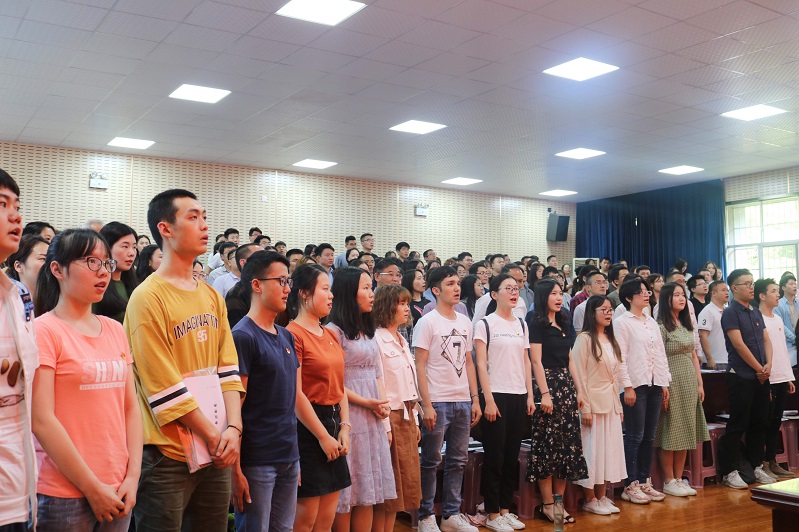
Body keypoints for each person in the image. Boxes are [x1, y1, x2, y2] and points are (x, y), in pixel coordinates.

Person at [125, 189, 245, 531]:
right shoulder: (147, 297)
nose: (204, 225)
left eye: (204, 217)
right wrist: (214, 435)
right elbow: (161, 385)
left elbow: (228, 370)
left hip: (216, 448)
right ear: (165, 228)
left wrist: (234, 429)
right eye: (193, 217)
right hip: (167, 455)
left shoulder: (211, 295)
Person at [31, 228, 142, 531]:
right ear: (57, 269)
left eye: (106, 262)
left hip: (119, 488)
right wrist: (92, 487)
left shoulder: (114, 329)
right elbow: (41, 419)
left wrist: (133, 477)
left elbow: (131, 408)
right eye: (91, 262)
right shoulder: (44, 330)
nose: (103, 271)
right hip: (63, 493)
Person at [231, 251, 300, 531]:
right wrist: (235, 470)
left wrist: (294, 458)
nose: (287, 289)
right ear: (257, 285)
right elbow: (234, 409)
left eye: (288, 281)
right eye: (280, 281)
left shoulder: (286, 335)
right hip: (257, 460)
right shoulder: (242, 336)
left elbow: (290, 401)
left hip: (288, 455)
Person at [326, 267, 395, 531]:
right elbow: (335, 382)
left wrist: (382, 406)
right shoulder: (333, 331)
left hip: (373, 416)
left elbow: (378, 374)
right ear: (348, 292)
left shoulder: (369, 331)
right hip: (348, 416)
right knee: (348, 491)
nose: (372, 293)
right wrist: (368, 403)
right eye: (365, 288)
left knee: (368, 492)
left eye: (371, 287)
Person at [413, 266, 481, 532]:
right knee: (431, 461)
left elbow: (469, 363)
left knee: (458, 461)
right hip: (437, 401)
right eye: (450, 283)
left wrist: (475, 399)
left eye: (458, 283)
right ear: (435, 290)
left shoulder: (465, 321)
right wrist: (426, 404)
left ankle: (451, 515)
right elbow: (419, 365)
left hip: (463, 400)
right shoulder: (427, 321)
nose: (457, 288)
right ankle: (425, 516)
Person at [286, 264, 352, 532]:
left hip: (334, 422)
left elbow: (341, 385)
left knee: (327, 517)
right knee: (306, 518)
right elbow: (295, 393)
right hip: (308, 427)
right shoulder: (292, 334)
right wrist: (323, 436)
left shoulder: (330, 333)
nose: (331, 295)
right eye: (325, 289)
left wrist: (345, 427)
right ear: (304, 293)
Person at [474, 274, 533, 532]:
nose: (514, 292)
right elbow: (480, 364)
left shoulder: (521, 323)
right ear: (494, 294)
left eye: (516, 288)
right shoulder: (485, 324)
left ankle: (506, 509)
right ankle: (492, 512)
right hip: (495, 395)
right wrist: (488, 399)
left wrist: (530, 395)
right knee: (495, 457)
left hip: (518, 394)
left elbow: (526, 361)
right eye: (508, 288)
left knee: (511, 456)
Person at [527, 279, 587, 524]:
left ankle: (559, 504)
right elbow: (535, 361)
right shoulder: (535, 322)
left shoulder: (563, 320)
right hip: (547, 384)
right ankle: (547, 505)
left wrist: (579, 390)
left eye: (560, 293)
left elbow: (570, 359)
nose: (559, 297)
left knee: (566, 449)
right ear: (543, 296)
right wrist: (544, 393)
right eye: (553, 293)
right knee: (547, 449)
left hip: (566, 387)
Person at [0, 170, 39, 532]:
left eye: (17, 205)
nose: (16, 216)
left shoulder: (15, 295)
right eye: (2, 204)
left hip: (18, 480)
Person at [615, 278, 670, 504]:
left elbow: (660, 353)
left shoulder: (651, 321)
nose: (646, 294)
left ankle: (645, 480)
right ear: (629, 298)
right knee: (634, 436)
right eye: (641, 292)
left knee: (649, 436)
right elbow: (620, 357)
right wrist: (627, 386)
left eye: (647, 291)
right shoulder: (622, 322)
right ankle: (630, 484)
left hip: (654, 383)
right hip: (635, 385)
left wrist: (664, 382)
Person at [719, 269, 774, 489]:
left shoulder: (755, 311)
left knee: (760, 422)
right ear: (734, 288)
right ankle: (729, 471)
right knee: (738, 423)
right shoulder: (730, 313)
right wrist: (760, 368)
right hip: (741, 375)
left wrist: (768, 365)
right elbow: (739, 345)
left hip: (761, 376)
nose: (751, 287)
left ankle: (756, 465)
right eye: (747, 284)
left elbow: (766, 340)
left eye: (752, 283)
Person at [372, 284, 421, 532]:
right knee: (386, 490)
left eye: (407, 303)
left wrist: (416, 419)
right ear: (386, 307)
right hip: (388, 417)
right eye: (400, 303)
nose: (406, 308)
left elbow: (410, 385)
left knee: (400, 492)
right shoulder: (376, 339)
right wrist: (385, 425)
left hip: (406, 416)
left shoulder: (401, 339)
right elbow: (378, 384)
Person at [654, 282, 709, 497]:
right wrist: (663, 386)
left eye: (682, 295)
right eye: (676, 295)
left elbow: (694, 356)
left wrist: (700, 383)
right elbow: (658, 359)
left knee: (686, 429)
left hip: (688, 380)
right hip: (671, 380)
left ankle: (679, 478)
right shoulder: (660, 326)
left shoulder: (686, 324)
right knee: (671, 431)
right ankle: (668, 480)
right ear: (666, 299)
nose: (681, 299)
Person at [573, 295, 626, 516]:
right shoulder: (584, 339)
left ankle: (602, 496)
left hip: (611, 402)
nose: (608, 313)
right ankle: (590, 498)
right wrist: (585, 407)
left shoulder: (611, 338)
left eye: (610, 310)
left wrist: (619, 406)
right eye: (603, 310)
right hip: (592, 403)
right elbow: (579, 375)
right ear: (591, 313)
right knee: (592, 451)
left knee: (607, 451)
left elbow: (617, 376)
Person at [756, 278, 796, 480]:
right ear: (762, 296)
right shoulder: (757, 318)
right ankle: (761, 463)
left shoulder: (778, 319)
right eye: (773, 291)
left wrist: (787, 377)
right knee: (764, 422)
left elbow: (781, 350)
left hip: (781, 376)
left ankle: (772, 461)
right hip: (767, 378)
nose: (777, 294)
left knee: (775, 422)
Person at [93, 222, 138, 323]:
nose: (132, 253)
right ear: (107, 248)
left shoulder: (133, 284)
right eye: (125, 246)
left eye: (134, 247)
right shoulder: (97, 286)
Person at [6, 234, 48, 315]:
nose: (50, 265)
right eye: (43, 259)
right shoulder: (6, 304)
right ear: (18, 266)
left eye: (51, 259)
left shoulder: (56, 302)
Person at [698, 281, 730, 370]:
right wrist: (709, 358)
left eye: (727, 290)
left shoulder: (727, 311)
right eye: (723, 290)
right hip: (715, 360)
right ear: (714, 293)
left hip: (729, 359)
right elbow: (703, 335)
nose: (727, 293)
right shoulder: (707, 311)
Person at [775, 273, 799, 367]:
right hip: (788, 345)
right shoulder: (778, 304)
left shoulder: (798, 302)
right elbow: (780, 325)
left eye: (795, 284)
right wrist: (795, 339)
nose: (794, 286)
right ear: (783, 288)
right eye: (791, 284)